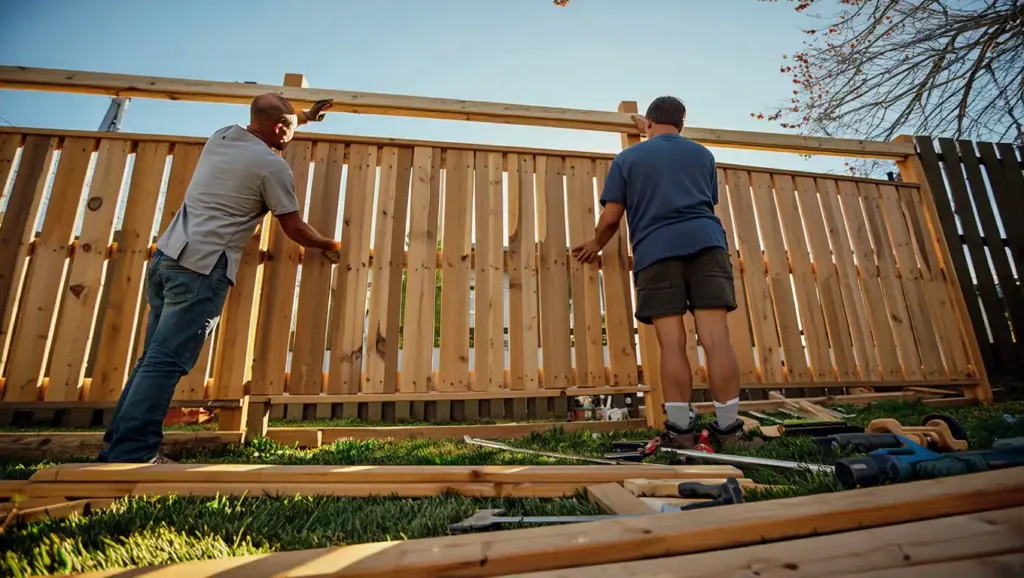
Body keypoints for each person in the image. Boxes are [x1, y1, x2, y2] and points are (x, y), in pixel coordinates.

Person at [99, 93, 342, 463]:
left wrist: (304, 116)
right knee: (165, 362)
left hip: (167, 256)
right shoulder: (271, 167)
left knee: (152, 359)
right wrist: (331, 243)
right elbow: (293, 227)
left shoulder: (222, 136)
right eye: (291, 128)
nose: (292, 134)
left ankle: (119, 443)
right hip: (202, 266)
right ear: (279, 128)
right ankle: (133, 454)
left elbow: (272, 121)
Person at [571, 96, 752, 448]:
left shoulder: (628, 157)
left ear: (648, 123)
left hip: (657, 249)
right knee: (716, 340)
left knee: (672, 343)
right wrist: (657, 130)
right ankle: (729, 430)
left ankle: (681, 432)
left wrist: (596, 243)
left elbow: (611, 216)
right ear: (681, 125)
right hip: (708, 244)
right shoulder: (702, 155)